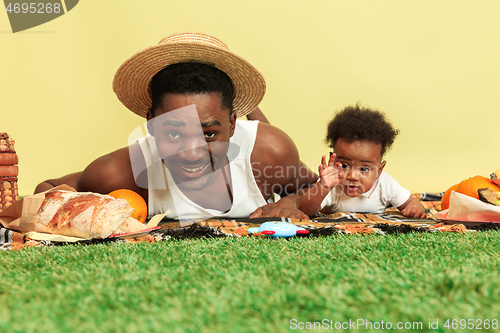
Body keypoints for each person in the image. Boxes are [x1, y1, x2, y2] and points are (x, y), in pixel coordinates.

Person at [35, 32, 317, 220]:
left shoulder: (269, 151)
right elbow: (44, 189)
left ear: (232, 124)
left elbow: (318, 186)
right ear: (151, 125)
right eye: (173, 133)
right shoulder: (123, 172)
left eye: (209, 134)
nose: (192, 153)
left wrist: (293, 203)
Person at [299, 104, 426, 218]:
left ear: (379, 170)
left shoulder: (386, 184)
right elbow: (305, 210)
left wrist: (414, 209)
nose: (352, 176)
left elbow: (410, 202)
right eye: (344, 165)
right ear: (333, 160)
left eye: (364, 169)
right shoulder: (330, 182)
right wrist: (323, 187)